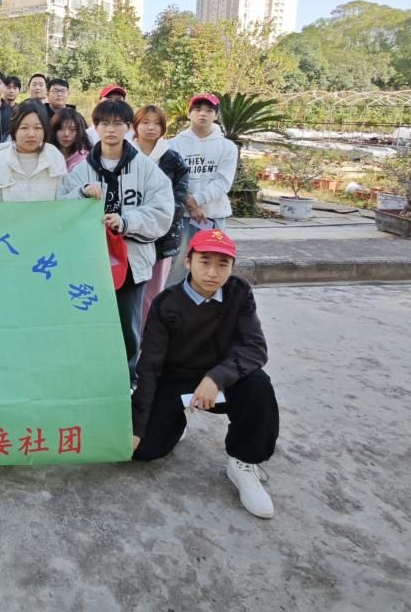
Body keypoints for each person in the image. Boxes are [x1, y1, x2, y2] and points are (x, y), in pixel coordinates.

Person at [132, 228, 280, 520]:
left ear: (232, 267)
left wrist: (216, 378)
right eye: (205, 262)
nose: (213, 272)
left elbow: (255, 347)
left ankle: (242, 463)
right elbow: (149, 366)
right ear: (188, 261)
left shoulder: (239, 292)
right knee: (142, 451)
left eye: (223, 264)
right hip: (177, 380)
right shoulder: (166, 303)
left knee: (259, 385)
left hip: (224, 380)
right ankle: (177, 424)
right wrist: (137, 427)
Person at [59, 99, 174, 389]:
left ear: (129, 128)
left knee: (127, 325)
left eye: (118, 124)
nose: (111, 129)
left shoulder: (146, 169)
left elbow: (162, 211)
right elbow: (59, 208)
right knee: (89, 321)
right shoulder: (81, 171)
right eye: (104, 124)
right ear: (95, 127)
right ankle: (89, 377)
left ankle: (127, 381)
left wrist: (126, 222)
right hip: (89, 263)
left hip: (132, 263)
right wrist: (81, 193)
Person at [166, 93, 238, 288]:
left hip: (213, 215)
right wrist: (190, 204)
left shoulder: (227, 147)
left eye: (209, 110)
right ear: (189, 113)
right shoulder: (173, 144)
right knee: (178, 263)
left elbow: (223, 181)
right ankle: (173, 301)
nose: (203, 114)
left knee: (212, 262)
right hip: (182, 216)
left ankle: (208, 301)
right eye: (197, 109)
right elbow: (171, 180)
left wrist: (197, 200)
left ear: (216, 115)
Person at [132, 105, 190, 329]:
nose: (151, 128)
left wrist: (158, 223)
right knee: (129, 290)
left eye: (157, 123)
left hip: (161, 236)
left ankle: (149, 336)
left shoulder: (173, 159)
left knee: (153, 291)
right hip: (128, 234)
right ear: (136, 125)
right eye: (145, 122)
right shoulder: (123, 155)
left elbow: (178, 198)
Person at [0, 102, 66, 201]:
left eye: (37, 127)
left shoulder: (55, 157)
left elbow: (62, 200)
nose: (31, 134)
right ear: (14, 130)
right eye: (24, 128)